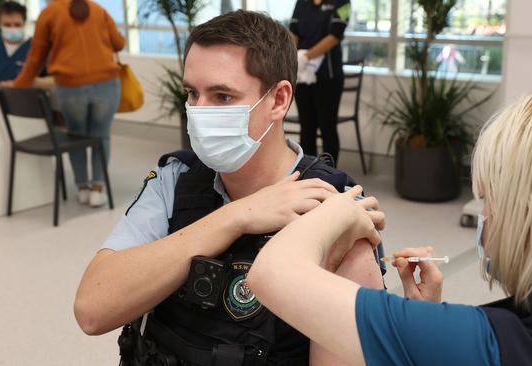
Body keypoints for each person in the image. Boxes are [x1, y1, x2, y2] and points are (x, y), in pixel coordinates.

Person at [73, 10, 384, 366]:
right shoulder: (175, 180)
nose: (199, 112)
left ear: (279, 100)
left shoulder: (331, 207)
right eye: (192, 93)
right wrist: (236, 217)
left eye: (222, 97)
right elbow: (92, 310)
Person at [248, 88, 532, 365]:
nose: (484, 216)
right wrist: (426, 328)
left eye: (489, 201)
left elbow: (272, 273)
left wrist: (335, 211)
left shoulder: (497, 342)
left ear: (530, 219)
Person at [1, 0, 125, 207]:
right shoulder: (98, 9)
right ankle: (98, 189)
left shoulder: (49, 13)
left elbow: (35, 58)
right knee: (101, 135)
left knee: (75, 134)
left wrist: (17, 84)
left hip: (70, 87)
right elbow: (119, 43)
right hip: (107, 85)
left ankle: (82, 187)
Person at [289, 0, 350, 164]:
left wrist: (306, 56)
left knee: (327, 127)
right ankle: (308, 173)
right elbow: (293, 32)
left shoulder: (342, 3)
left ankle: (330, 174)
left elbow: (335, 35)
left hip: (328, 76)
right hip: (303, 75)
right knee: (306, 127)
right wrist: (294, 57)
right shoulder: (301, 3)